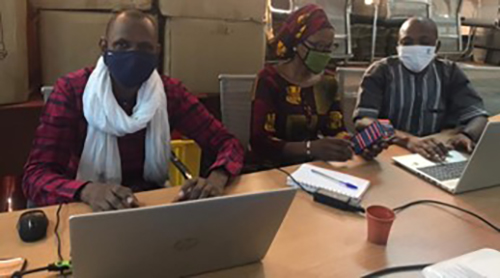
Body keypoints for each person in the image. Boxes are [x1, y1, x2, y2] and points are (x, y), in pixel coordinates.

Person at [23, 9, 244, 211]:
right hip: (86, 208)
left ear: (156, 52)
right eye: (121, 45)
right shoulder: (72, 92)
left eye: (144, 48)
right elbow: (36, 176)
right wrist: (87, 191)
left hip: (149, 206)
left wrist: (217, 178)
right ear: (104, 47)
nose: (133, 55)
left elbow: (227, 142)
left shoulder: (170, 94)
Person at [354, 17, 488, 162]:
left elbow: (478, 115)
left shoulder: (449, 72)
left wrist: (467, 135)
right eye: (407, 42)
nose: (415, 47)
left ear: (437, 47)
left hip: (438, 152)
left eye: (424, 42)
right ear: (398, 46)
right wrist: (408, 140)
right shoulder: (381, 71)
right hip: (391, 150)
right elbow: (364, 120)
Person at [251, 4, 360, 167]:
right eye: (317, 46)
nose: (323, 53)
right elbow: (260, 142)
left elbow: (335, 130)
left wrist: (353, 144)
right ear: (297, 43)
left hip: (317, 167)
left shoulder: (328, 82)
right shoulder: (270, 80)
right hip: (275, 170)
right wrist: (310, 148)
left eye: (328, 47)